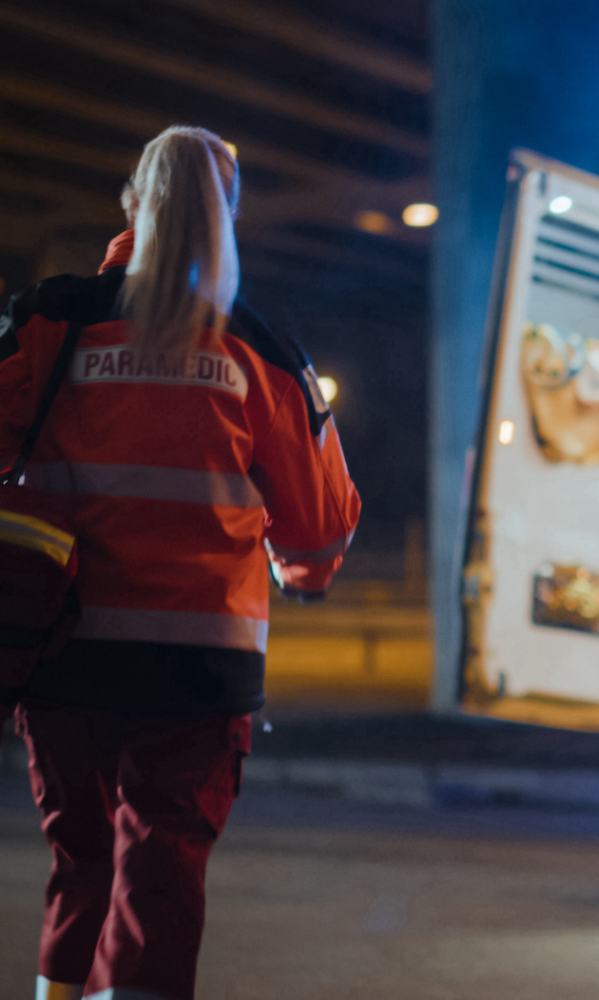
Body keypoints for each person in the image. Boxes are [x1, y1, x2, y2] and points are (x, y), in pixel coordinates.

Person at [0, 126, 360, 1000]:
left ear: (133, 204)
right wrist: (298, 575)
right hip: (199, 669)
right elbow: (318, 534)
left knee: (80, 865)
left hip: (61, 653)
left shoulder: (48, 320)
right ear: (227, 215)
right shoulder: (261, 351)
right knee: (158, 878)